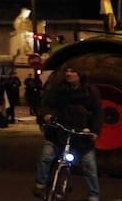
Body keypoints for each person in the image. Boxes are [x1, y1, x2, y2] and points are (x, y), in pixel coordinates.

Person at [33, 66, 102, 200]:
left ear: (80, 74)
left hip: (81, 133)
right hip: (60, 130)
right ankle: (40, 184)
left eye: (72, 71)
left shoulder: (90, 91)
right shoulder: (59, 90)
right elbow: (48, 105)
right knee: (46, 156)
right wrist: (47, 115)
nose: (68, 74)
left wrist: (95, 131)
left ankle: (94, 194)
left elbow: (98, 113)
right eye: (67, 71)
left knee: (89, 166)